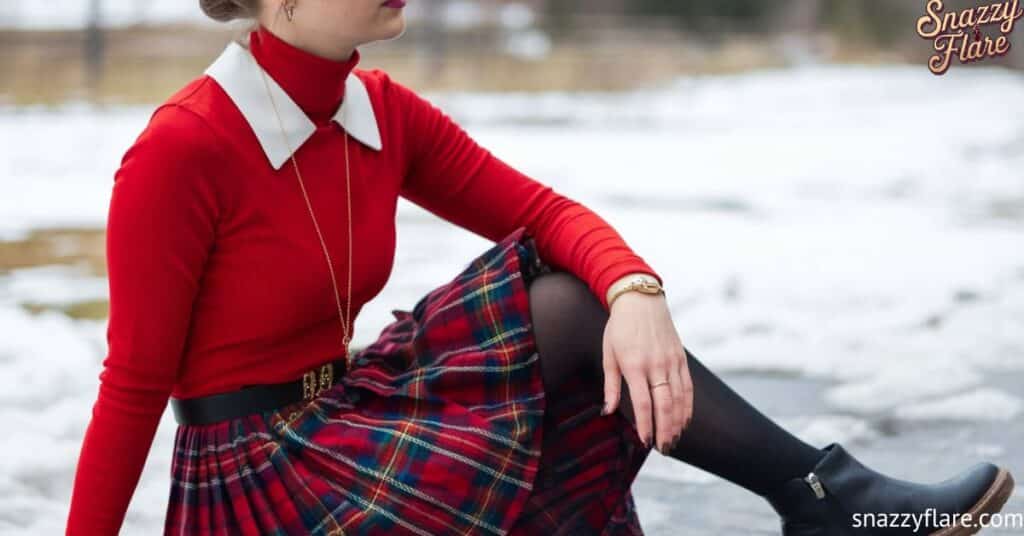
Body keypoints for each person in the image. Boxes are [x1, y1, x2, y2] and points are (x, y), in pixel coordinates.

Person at [66, 1, 1015, 534]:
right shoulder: (182, 150)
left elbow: (544, 214)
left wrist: (635, 292)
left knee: (569, 309)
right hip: (257, 483)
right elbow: (132, 384)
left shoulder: (377, 108)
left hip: (345, 416)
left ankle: (821, 497)